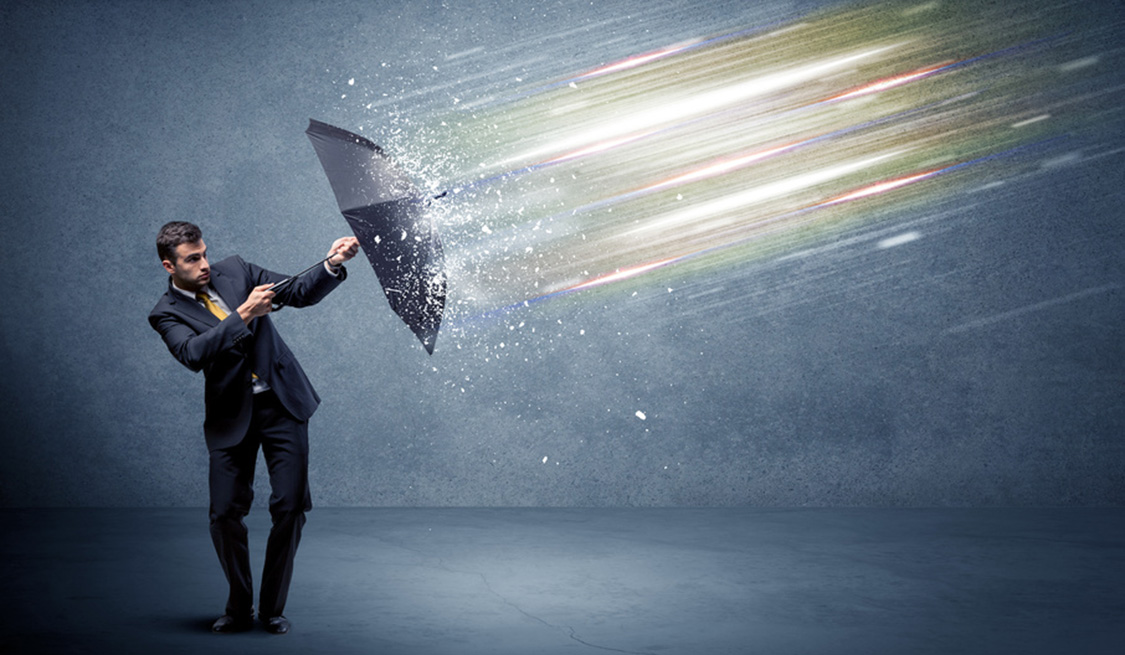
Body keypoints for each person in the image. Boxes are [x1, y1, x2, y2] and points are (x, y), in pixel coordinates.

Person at [148, 221, 358, 634]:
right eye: (192, 259)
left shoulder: (237, 270)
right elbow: (193, 354)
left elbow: (297, 292)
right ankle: (239, 605)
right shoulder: (165, 312)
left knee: (291, 505)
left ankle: (272, 609)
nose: (204, 264)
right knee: (224, 513)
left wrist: (332, 263)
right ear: (169, 267)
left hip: (282, 403)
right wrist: (244, 313)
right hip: (231, 417)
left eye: (204, 253)